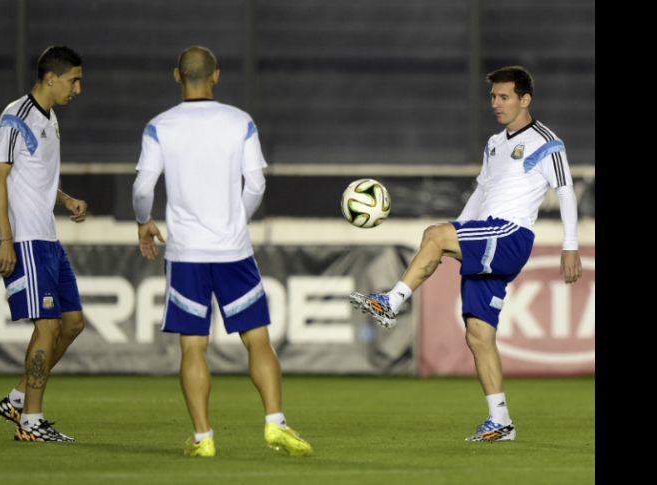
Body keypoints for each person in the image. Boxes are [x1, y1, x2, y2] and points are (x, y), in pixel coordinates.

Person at [351, 65, 583, 442]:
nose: (496, 103)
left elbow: (567, 190)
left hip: (510, 235)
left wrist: (570, 245)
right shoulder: (494, 144)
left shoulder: (546, 141)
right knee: (478, 333)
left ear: (525, 100)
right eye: (493, 96)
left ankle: (391, 301)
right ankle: (501, 421)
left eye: (504, 96)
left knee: (433, 234)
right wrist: (457, 232)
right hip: (487, 233)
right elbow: (480, 192)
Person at [132, 46, 313, 458]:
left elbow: (143, 188)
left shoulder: (160, 127)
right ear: (216, 77)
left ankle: (204, 438)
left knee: (193, 347)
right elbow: (257, 185)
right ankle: (275, 423)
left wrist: (143, 221)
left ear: (177, 76)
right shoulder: (240, 122)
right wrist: (237, 220)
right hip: (233, 250)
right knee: (258, 341)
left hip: (187, 254)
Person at [0, 45, 86, 443]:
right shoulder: (16, 117)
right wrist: (6, 239)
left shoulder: (50, 119)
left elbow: (36, 173)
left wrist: (65, 200)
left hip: (47, 237)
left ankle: (17, 398)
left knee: (72, 323)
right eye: (74, 80)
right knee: (47, 326)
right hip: (25, 239)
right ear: (51, 77)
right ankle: (31, 421)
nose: (78, 89)